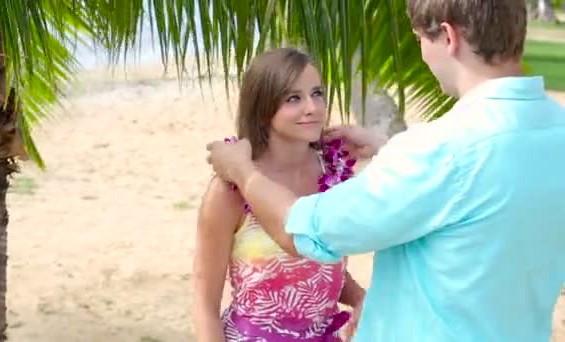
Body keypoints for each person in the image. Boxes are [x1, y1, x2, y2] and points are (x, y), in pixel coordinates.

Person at [205, 1, 565, 341]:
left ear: (449, 37)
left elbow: (307, 231)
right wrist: (389, 147)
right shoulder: (556, 134)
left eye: (420, 40)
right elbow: (476, 193)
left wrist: (243, 172)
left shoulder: (440, 151)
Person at [193, 47, 365, 342]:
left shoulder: (335, 174)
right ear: (263, 107)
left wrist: (361, 298)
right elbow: (204, 303)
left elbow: (321, 267)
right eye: (293, 98)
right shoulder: (229, 190)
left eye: (317, 93)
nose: (312, 107)